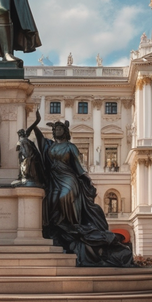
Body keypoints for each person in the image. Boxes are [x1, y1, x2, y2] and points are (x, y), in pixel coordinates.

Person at [31, 110, 133, 267]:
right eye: (55, 129)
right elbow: (39, 139)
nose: (57, 131)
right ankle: (58, 230)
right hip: (54, 179)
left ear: (64, 132)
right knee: (50, 201)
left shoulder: (71, 147)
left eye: (59, 129)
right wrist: (35, 123)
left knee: (65, 197)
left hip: (68, 178)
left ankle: (72, 227)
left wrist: (86, 179)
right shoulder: (49, 146)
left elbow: (78, 165)